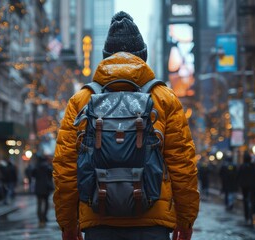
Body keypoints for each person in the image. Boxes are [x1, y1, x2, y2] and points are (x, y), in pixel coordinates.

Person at [53, 11, 199, 240]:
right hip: (153, 221)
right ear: (143, 56)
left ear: (105, 58)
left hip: (98, 219)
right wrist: (186, 219)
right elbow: (183, 165)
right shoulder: (164, 98)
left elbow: (65, 169)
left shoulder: (81, 100)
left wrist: (67, 224)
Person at [32, 154, 54, 228]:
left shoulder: (36, 167)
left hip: (38, 188)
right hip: (46, 187)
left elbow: (33, 175)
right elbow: (51, 175)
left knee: (39, 204)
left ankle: (40, 218)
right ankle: (44, 216)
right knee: (46, 203)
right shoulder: (48, 167)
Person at [237, 151, 255, 225]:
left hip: (244, 186)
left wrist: (239, 184)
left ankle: (247, 216)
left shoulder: (242, 166)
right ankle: (253, 214)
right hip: (252, 186)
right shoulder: (253, 165)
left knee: (245, 200)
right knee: (252, 200)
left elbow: (238, 176)